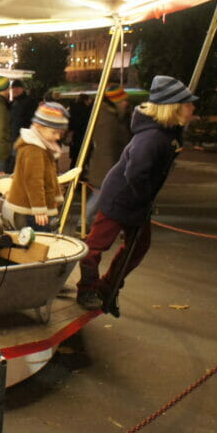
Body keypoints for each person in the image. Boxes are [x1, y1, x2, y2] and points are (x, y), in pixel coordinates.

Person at [77, 75, 197, 314]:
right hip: (121, 196)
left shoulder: (168, 132)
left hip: (137, 198)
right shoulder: (151, 137)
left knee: (139, 245)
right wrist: (143, 199)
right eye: (187, 104)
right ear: (172, 107)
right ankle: (87, 289)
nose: (192, 108)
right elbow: (136, 173)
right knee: (96, 245)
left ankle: (108, 285)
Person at [5, 102, 70, 232]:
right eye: (54, 132)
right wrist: (39, 209)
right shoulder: (33, 149)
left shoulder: (41, 146)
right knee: (39, 241)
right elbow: (34, 181)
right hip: (33, 207)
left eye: (60, 133)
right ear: (38, 126)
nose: (57, 137)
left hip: (35, 205)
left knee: (39, 239)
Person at [84, 85, 132, 225]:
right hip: (107, 167)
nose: (126, 103)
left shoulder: (115, 115)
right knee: (99, 195)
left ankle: (88, 221)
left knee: (102, 196)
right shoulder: (107, 118)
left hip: (112, 166)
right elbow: (107, 147)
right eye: (122, 101)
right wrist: (112, 171)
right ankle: (84, 221)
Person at [67, 93, 92, 168]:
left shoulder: (73, 109)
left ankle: (73, 172)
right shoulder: (86, 110)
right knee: (84, 155)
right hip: (83, 135)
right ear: (85, 100)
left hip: (76, 136)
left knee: (76, 157)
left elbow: (71, 124)